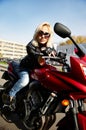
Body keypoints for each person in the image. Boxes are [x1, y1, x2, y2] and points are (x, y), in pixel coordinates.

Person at [4, 22, 57, 104]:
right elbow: (36, 56)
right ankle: (11, 95)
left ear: (49, 36)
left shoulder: (50, 46)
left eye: (46, 34)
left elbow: (54, 53)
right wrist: (45, 51)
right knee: (25, 80)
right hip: (24, 68)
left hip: (36, 69)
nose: (43, 36)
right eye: (41, 33)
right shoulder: (31, 45)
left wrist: (54, 52)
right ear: (37, 33)